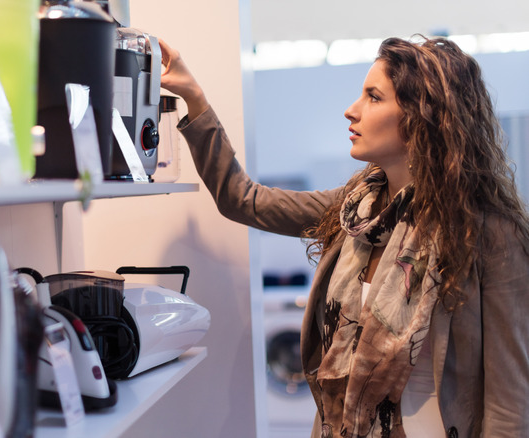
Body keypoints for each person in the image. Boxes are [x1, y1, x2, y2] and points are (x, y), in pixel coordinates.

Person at [159, 36, 529, 438]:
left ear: (424, 115)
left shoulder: (489, 233)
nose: (351, 110)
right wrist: (193, 97)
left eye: (373, 97)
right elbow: (242, 199)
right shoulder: (356, 210)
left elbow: (510, 402)